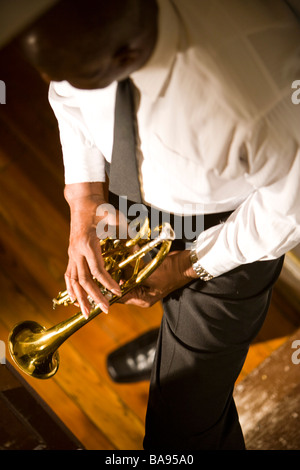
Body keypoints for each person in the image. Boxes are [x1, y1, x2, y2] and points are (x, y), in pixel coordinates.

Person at [20, 0, 300, 450]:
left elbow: (290, 208)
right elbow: (67, 99)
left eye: (87, 76)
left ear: (126, 57)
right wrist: (85, 200)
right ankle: (173, 341)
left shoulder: (258, 92)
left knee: (180, 434)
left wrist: (192, 266)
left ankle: (190, 347)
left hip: (233, 224)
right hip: (141, 194)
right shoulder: (80, 37)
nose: (67, 82)